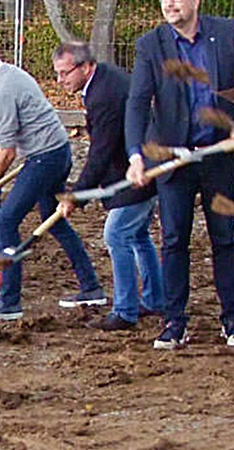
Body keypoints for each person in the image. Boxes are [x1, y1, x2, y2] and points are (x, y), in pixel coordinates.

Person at [125, 0, 234, 350]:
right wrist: (135, 154)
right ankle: (174, 322)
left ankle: (233, 322)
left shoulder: (225, 34)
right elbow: (138, 103)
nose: (170, 4)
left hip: (219, 156)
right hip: (173, 159)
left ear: (196, 0)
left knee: (224, 238)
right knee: (174, 240)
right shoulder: (151, 45)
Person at [0, 31, 102, 322]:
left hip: (45, 158)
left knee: (5, 221)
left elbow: (7, 151)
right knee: (53, 220)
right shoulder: (9, 74)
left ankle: (9, 301)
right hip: (56, 151)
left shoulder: (2, 88)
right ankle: (91, 286)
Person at [54, 42, 162, 331]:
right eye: (58, 73)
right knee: (137, 235)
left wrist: (77, 194)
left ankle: (125, 311)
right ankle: (154, 299)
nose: (59, 80)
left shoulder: (104, 95)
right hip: (138, 164)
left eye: (65, 73)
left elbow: (100, 151)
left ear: (85, 66)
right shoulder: (102, 81)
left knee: (116, 235)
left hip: (139, 169)